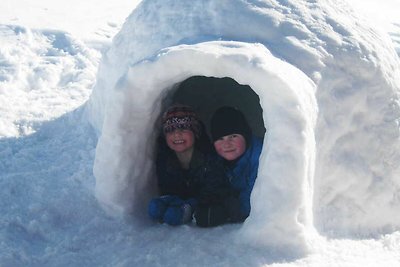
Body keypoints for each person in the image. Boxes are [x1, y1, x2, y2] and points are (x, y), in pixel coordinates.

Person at [148, 104, 229, 226]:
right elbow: (166, 186)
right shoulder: (165, 160)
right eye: (170, 130)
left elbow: (214, 189)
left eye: (183, 128)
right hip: (180, 201)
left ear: (195, 132)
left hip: (201, 203)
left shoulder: (209, 158)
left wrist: (192, 205)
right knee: (156, 207)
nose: (177, 134)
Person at [194, 106, 263, 227]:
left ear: (245, 135)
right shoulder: (215, 159)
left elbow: (258, 198)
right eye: (220, 138)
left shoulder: (260, 156)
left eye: (233, 136)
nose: (227, 144)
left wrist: (228, 209)